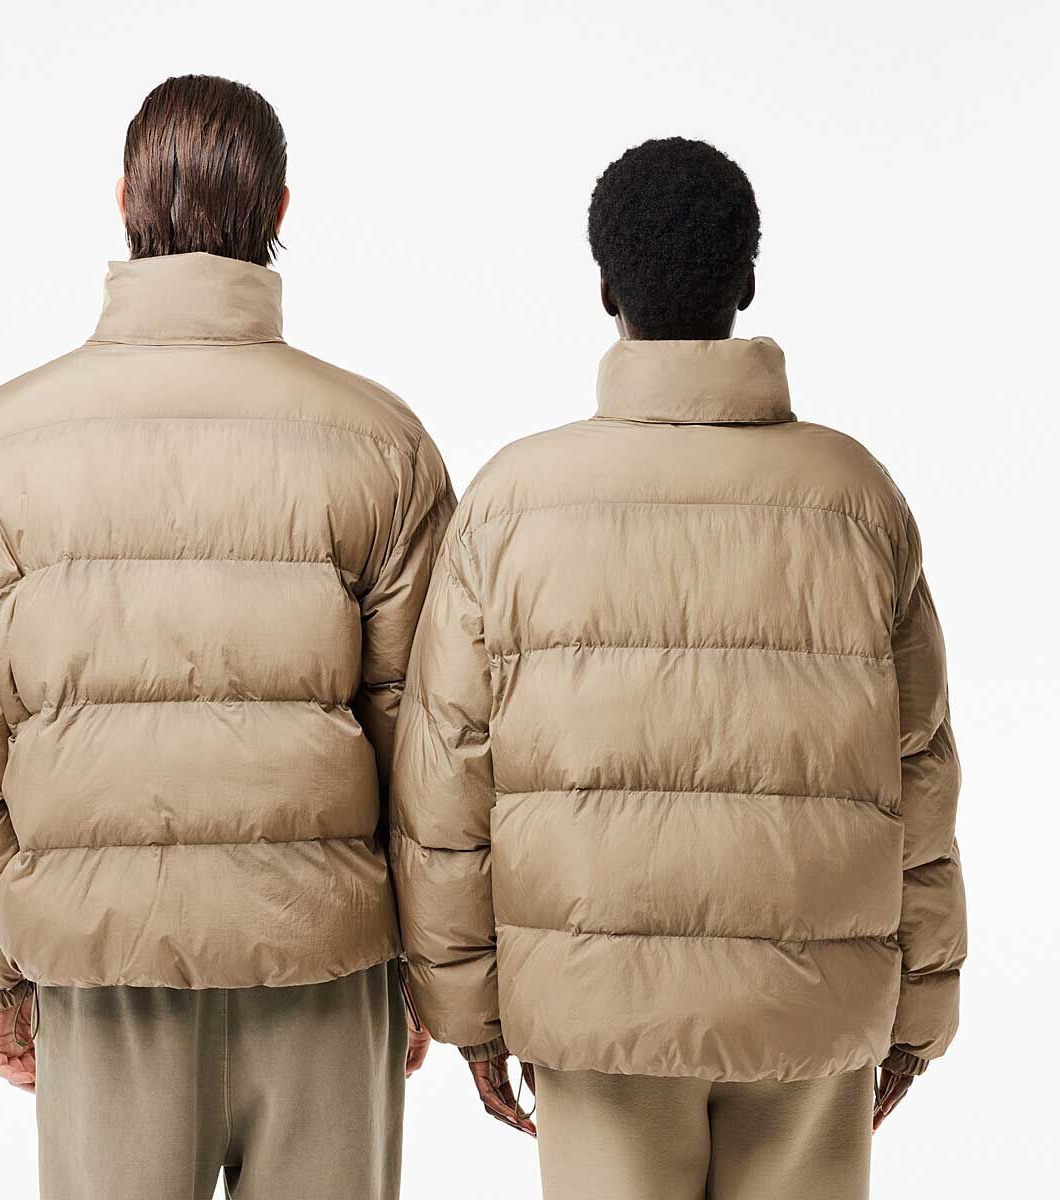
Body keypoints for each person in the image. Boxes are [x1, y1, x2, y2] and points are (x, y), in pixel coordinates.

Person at [390, 137, 966, 1199]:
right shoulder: (855, 499)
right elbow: (921, 773)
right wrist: (919, 1012)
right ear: (748, 280)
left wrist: (468, 1010)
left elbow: (447, 781)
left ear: (605, 288)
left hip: (594, 1006)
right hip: (813, 1003)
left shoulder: (515, 503)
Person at [0, 74, 446, 1200]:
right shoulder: (380, 444)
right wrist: (431, 967)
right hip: (326, 961)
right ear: (280, 210)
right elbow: (432, 743)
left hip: (102, 973)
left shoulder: (0, 448)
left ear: (123, 200)